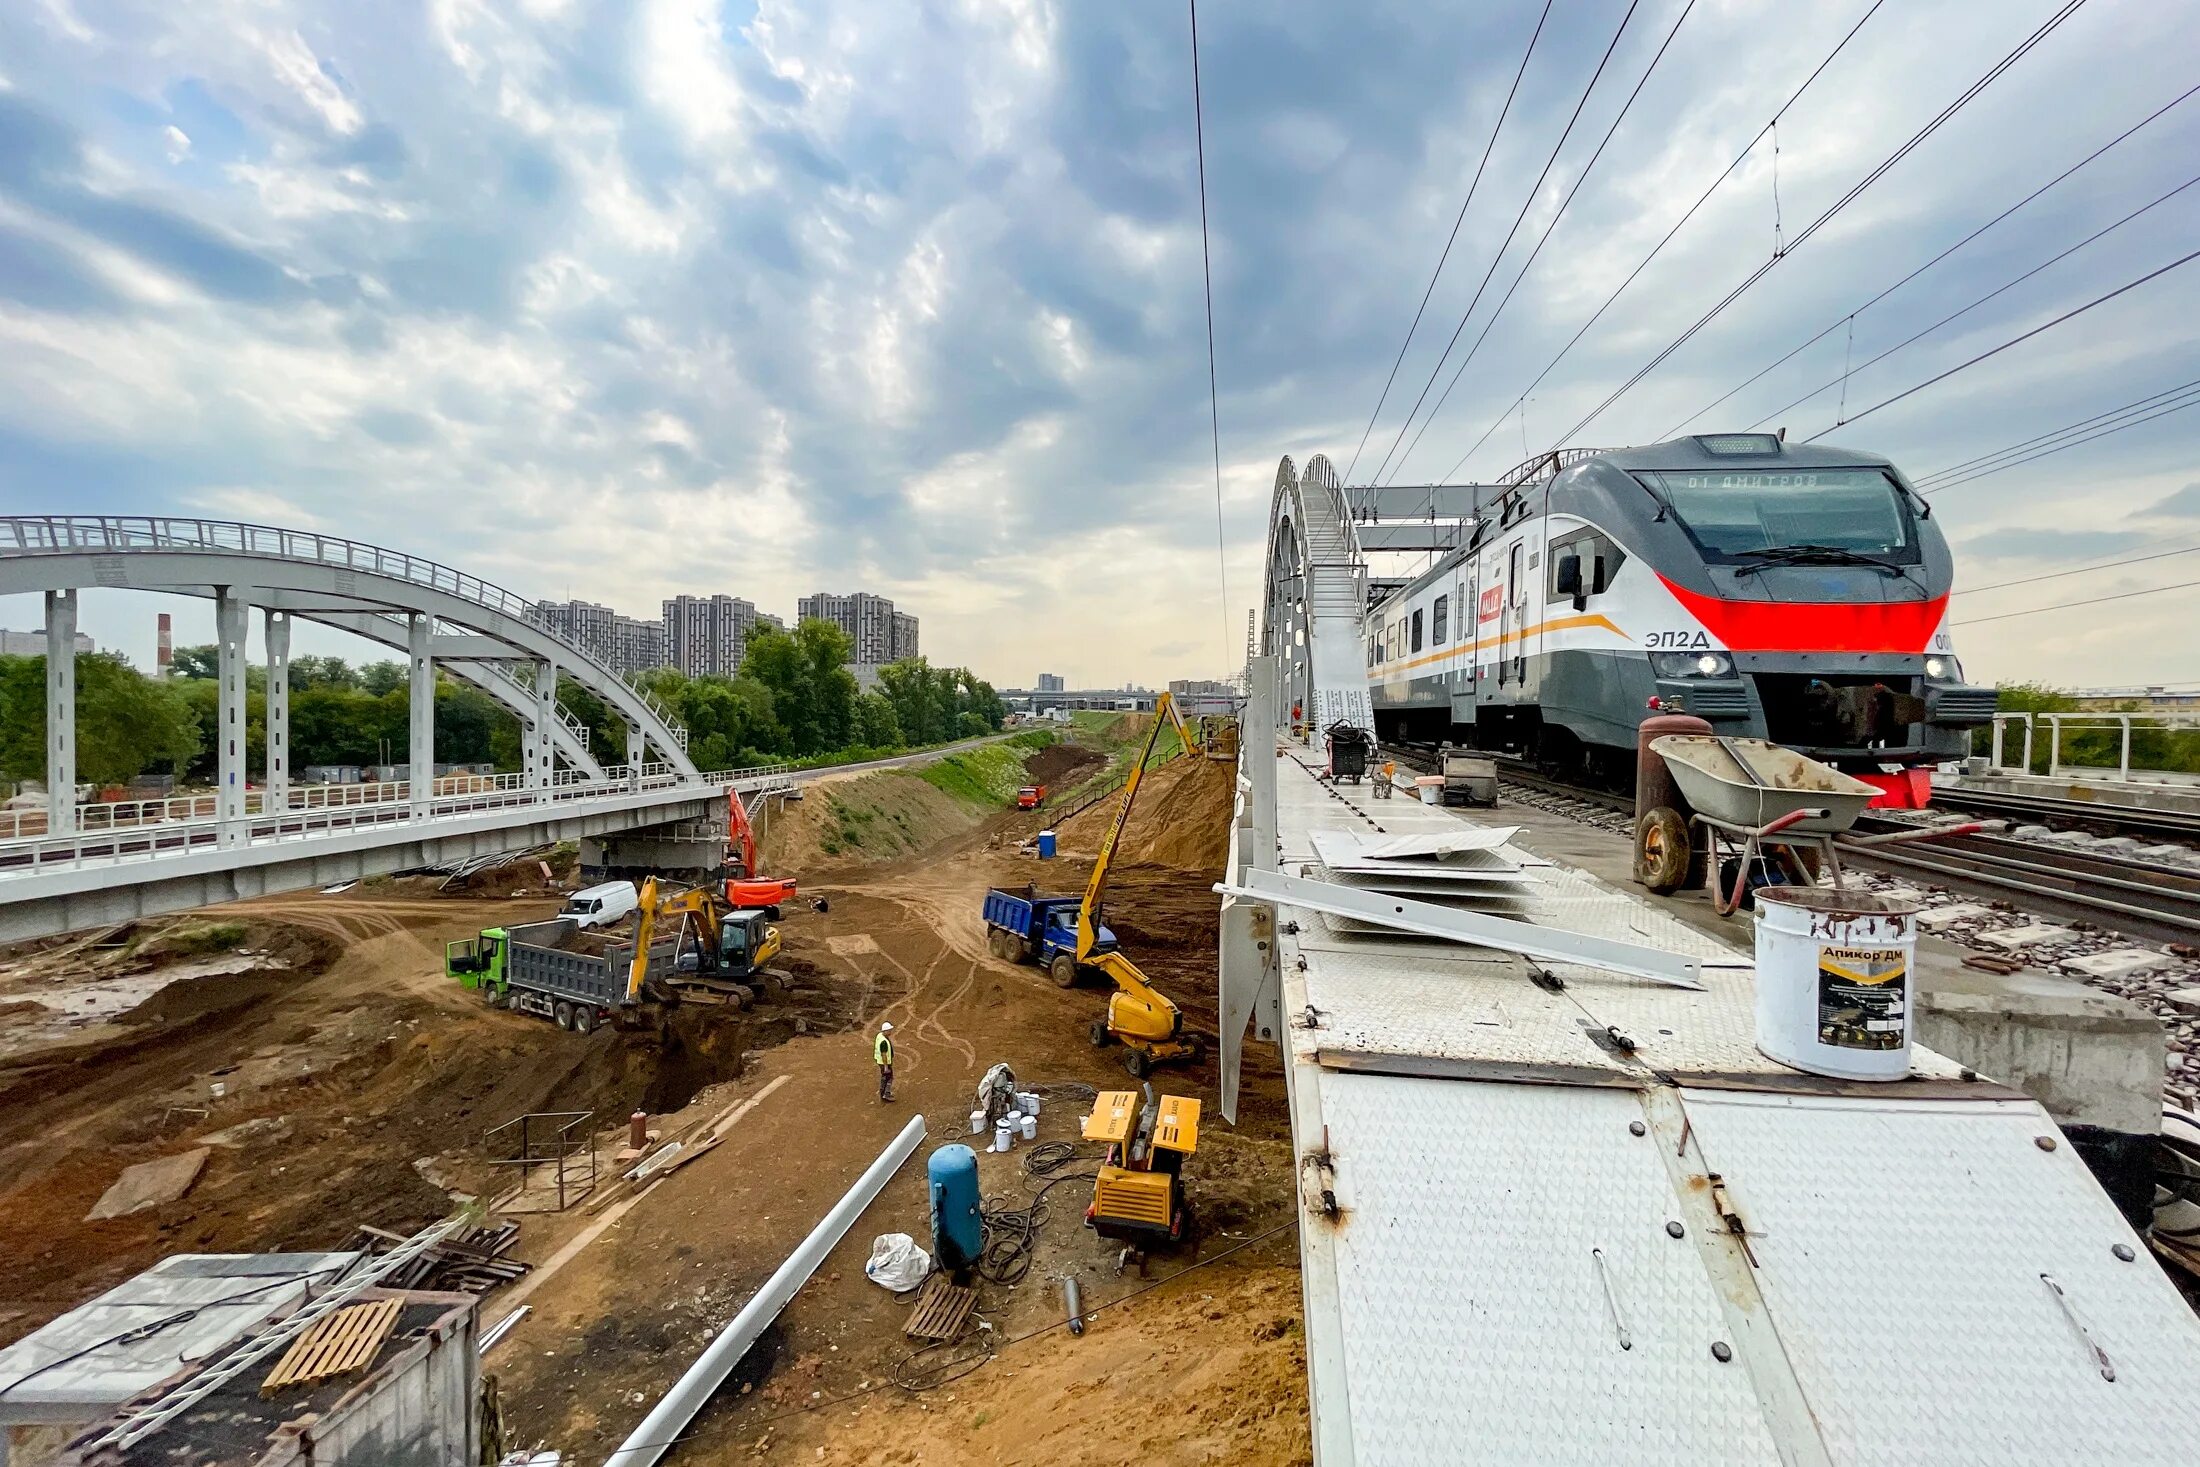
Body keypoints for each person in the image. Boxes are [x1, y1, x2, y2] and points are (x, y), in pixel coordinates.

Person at [873, 1021, 895, 1102]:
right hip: (884, 1063)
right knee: (888, 1077)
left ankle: (883, 1092)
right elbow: (884, 1055)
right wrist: (886, 1067)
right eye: (889, 1030)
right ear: (885, 1031)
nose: (890, 1031)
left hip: (880, 1062)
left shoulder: (880, 1036)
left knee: (885, 1077)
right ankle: (886, 1094)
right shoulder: (884, 1042)